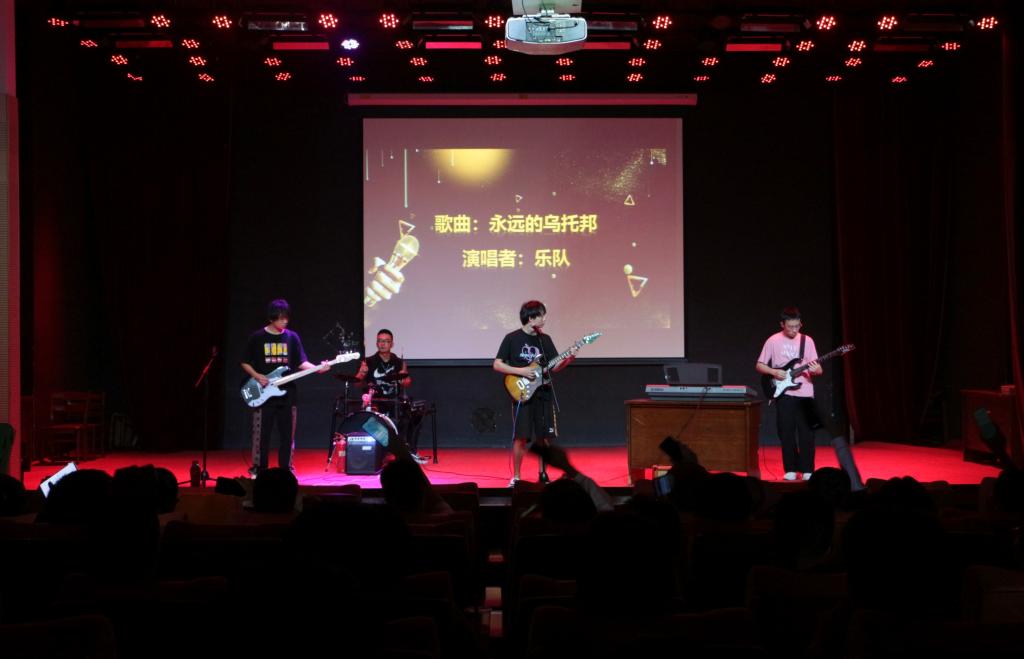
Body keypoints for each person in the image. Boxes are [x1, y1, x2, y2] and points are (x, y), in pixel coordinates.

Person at [241, 299, 329, 477]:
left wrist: (318, 368)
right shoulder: (257, 337)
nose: (285, 321)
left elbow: (301, 362)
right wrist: (258, 376)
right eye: (281, 318)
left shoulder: (292, 337)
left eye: (286, 318)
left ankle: (286, 469)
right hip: (263, 393)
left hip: (287, 394)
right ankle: (259, 468)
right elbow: (244, 362)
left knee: (288, 435)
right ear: (271, 318)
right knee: (261, 435)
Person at [493, 300, 576, 486]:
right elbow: (497, 364)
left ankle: (543, 474)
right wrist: (521, 371)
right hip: (522, 393)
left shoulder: (544, 339)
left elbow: (554, 367)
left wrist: (569, 357)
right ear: (530, 318)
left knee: (543, 437)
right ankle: (516, 477)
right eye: (541, 316)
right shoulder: (512, 338)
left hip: (543, 392)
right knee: (520, 437)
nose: (544, 319)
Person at [756, 307, 823, 481]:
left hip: (806, 393)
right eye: (790, 326)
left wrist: (816, 370)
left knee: (807, 433)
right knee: (786, 432)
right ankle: (791, 468)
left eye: (797, 326)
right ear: (782, 324)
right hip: (784, 393)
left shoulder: (807, 341)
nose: (794, 330)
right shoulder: (773, 340)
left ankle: (808, 469)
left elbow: (817, 368)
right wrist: (773, 372)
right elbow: (759, 365)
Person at [353, 329, 426, 463]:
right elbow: (357, 383)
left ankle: (409, 451)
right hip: (375, 402)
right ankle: (381, 453)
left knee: (414, 415)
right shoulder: (368, 361)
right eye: (380, 341)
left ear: (392, 344)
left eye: (386, 341)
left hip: (395, 401)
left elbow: (407, 382)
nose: (383, 344)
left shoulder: (398, 362)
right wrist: (361, 373)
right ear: (377, 343)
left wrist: (404, 378)